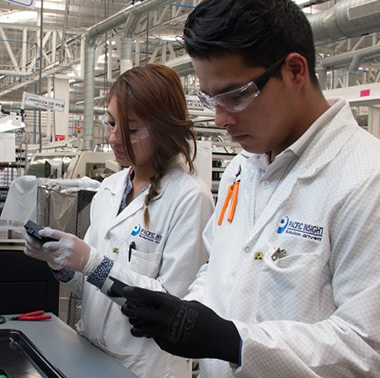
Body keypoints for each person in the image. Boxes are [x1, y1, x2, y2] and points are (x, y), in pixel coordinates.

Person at [120, 0, 380, 376]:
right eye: (210, 99)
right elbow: (222, 267)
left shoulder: (366, 178)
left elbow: (366, 347)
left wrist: (234, 342)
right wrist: (186, 312)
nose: (221, 118)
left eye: (236, 94)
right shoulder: (241, 170)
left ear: (294, 71)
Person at [23, 64, 214, 377]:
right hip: (90, 355)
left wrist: (92, 262)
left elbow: (174, 307)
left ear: (165, 129)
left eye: (131, 130)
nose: (114, 138)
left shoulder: (190, 198)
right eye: (110, 123)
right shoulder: (110, 189)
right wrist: (60, 263)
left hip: (144, 368)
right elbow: (89, 284)